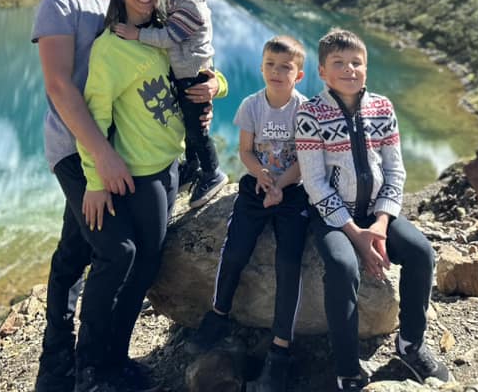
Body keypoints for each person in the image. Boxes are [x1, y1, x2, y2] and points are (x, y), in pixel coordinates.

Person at [31, 0, 218, 392]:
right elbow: (61, 88)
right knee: (115, 255)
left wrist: (214, 84)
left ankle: (81, 366)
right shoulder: (68, 9)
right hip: (83, 152)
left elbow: (190, 69)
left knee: (91, 255)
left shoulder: (158, 27)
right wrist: (97, 171)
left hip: (144, 157)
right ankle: (85, 367)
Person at [295, 29, 450, 391]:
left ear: (366, 66)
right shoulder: (310, 114)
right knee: (342, 267)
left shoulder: (382, 107)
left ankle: (411, 344)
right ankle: (347, 367)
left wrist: (380, 224)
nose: (349, 69)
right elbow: (314, 182)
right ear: (322, 71)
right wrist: (356, 235)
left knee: (420, 252)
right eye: (339, 63)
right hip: (333, 217)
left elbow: (395, 169)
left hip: (377, 214)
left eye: (356, 62)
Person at [75, 0, 185, 392]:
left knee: (144, 265)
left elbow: (199, 70)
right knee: (141, 267)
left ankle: (107, 360)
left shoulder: (163, 34)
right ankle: (106, 364)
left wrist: (216, 85)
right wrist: (95, 181)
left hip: (170, 164)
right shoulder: (109, 49)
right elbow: (94, 118)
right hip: (141, 174)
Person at [188, 35, 310, 392]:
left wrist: (280, 187)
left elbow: (304, 161)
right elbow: (245, 150)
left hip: (292, 191)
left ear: (298, 75)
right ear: (261, 68)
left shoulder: (304, 110)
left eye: (285, 67)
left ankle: (280, 348)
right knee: (236, 248)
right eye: (270, 65)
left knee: (290, 262)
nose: (276, 72)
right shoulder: (252, 106)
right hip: (257, 185)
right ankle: (219, 315)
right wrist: (262, 177)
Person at [114, 0, 227, 208]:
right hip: (185, 73)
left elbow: (169, 37)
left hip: (192, 77)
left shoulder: (192, 8)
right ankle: (193, 167)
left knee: (197, 130)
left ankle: (212, 174)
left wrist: (137, 34)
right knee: (189, 125)